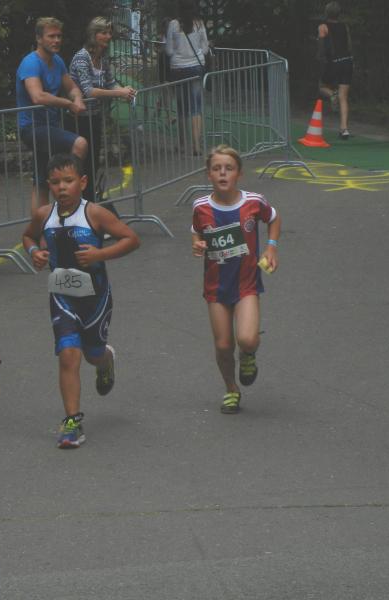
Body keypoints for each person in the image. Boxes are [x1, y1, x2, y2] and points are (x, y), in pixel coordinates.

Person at [22, 154, 140, 448]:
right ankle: (72, 421)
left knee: (92, 354)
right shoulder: (44, 214)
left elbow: (131, 239)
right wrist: (35, 252)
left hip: (95, 298)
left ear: (83, 182)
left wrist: (100, 254)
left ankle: (105, 360)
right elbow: (28, 237)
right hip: (62, 295)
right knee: (68, 354)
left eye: (68, 181)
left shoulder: (95, 214)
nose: (62, 187)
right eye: (55, 182)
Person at [191, 145, 281, 414]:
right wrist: (197, 244)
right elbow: (196, 231)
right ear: (209, 174)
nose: (222, 173)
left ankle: (249, 355)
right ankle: (231, 389)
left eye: (228, 168)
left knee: (247, 339)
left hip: (246, 284)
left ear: (239, 174)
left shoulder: (254, 202)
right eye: (216, 168)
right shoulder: (201, 206)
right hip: (216, 286)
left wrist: (271, 247)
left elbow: (274, 218)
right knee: (223, 345)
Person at [16, 17, 88, 211]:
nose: (56, 40)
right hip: (32, 128)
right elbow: (37, 96)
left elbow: (72, 87)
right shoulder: (30, 63)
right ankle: (69, 199)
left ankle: (40, 227)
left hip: (50, 126)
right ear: (39, 38)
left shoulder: (57, 61)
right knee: (79, 144)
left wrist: (77, 99)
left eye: (59, 36)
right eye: (51, 36)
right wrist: (68, 104)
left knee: (41, 181)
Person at [67, 16, 135, 213]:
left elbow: (110, 83)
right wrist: (118, 93)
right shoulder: (82, 57)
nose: (108, 36)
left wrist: (126, 90)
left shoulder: (103, 58)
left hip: (95, 117)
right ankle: (79, 207)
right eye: (103, 33)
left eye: (109, 33)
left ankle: (90, 206)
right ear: (93, 35)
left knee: (93, 164)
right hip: (77, 119)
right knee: (81, 165)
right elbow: (89, 91)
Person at [165, 1, 210, 156]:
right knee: (196, 107)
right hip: (196, 68)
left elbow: (169, 50)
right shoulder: (199, 24)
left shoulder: (173, 24)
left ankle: (182, 144)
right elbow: (205, 48)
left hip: (178, 68)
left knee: (182, 107)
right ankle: (196, 146)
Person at [317, 1, 354, 139]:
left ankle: (332, 94)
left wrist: (321, 58)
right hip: (347, 60)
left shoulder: (323, 27)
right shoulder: (345, 26)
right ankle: (344, 129)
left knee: (321, 87)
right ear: (339, 14)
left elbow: (321, 47)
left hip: (333, 61)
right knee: (343, 96)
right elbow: (349, 44)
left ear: (326, 13)